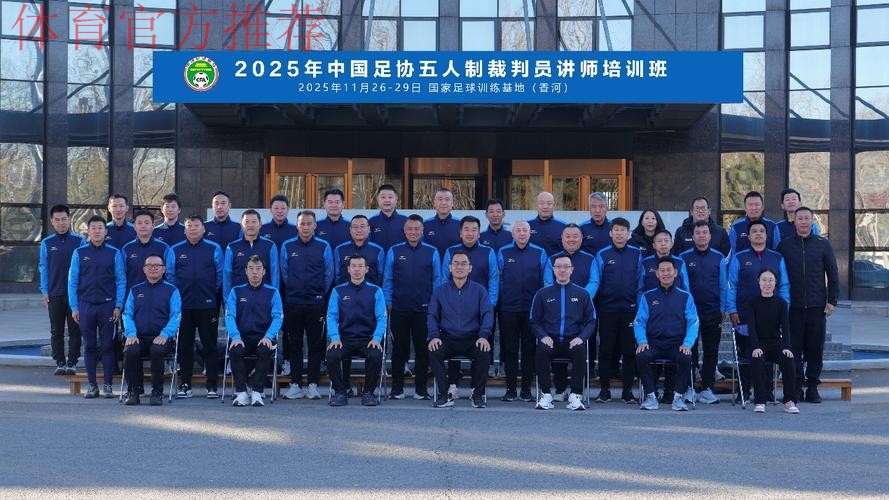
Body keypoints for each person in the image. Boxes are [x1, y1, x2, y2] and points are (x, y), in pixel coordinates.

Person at [777, 207, 839, 404]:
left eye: (807, 218)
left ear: (812, 221)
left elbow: (833, 273)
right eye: (800, 218)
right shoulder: (784, 246)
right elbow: (777, 275)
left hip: (816, 306)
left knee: (815, 349)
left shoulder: (822, 244)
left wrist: (832, 300)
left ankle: (812, 387)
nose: (803, 222)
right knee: (793, 349)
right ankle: (795, 387)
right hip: (792, 308)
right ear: (794, 221)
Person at [727, 220, 790, 403]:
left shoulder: (777, 258)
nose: (758, 234)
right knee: (747, 355)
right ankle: (744, 391)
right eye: (754, 231)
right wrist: (732, 309)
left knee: (768, 353)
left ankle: (767, 391)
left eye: (761, 231)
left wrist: (784, 308)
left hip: (772, 316)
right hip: (744, 315)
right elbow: (732, 285)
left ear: (767, 235)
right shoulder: (739, 257)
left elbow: (784, 285)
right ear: (748, 236)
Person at [383, 214, 441, 400]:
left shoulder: (432, 251)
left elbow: (437, 281)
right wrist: (388, 302)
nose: (413, 232)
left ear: (422, 231)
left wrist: (435, 306)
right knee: (399, 349)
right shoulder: (394, 250)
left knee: (423, 350)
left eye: (417, 229)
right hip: (399, 308)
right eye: (410, 229)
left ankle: (421, 390)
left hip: (424, 310)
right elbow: (388, 279)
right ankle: (397, 389)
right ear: (404, 230)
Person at [68, 216, 126, 399]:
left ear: (105, 231)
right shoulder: (79, 253)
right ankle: (92, 385)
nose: (97, 231)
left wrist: (118, 305)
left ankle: (108, 385)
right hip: (85, 305)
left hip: (108, 306)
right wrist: (74, 307)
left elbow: (121, 280)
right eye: (93, 228)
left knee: (108, 346)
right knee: (90, 346)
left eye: (100, 228)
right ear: (88, 231)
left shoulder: (114, 253)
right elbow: (72, 281)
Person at [428, 250, 494, 409]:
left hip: (472, 338)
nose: (459, 267)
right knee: (434, 350)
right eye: (456, 263)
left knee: (484, 351)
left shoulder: (479, 290)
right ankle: (444, 394)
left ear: (470, 268)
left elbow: (487, 313)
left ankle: (477, 394)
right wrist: (434, 336)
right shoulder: (440, 291)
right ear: (450, 267)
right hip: (447, 338)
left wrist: (484, 335)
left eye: (464, 264)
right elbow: (431, 315)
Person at [441, 216, 498, 398]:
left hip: (481, 309)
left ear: (479, 233)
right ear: (460, 232)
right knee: (453, 340)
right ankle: (453, 385)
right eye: (466, 229)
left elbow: (494, 279)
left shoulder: (488, 252)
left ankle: (476, 387)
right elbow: (444, 279)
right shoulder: (451, 251)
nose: (470, 233)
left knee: (480, 346)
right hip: (454, 308)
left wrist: (490, 304)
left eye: (474, 230)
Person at [633, 257, 700, 411]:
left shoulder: (685, 296)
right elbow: (639, 322)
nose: (666, 273)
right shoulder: (647, 296)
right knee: (641, 355)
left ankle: (678, 397)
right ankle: (651, 396)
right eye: (662, 271)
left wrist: (687, 343)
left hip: (677, 344)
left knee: (686, 357)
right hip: (654, 343)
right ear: (657, 274)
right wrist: (642, 341)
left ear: (675, 272)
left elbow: (693, 322)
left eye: (669, 270)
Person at [531, 255, 597, 411]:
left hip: (573, 340)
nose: (562, 270)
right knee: (541, 350)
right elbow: (534, 321)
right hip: (551, 340)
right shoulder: (542, 294)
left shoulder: (582, 294)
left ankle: (575, 395)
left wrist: (581, 337)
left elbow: (591, 321)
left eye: (566, 267)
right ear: (553, 269)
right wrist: (543, 336)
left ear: (572, 270)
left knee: (580, 349)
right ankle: (546, 395)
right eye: (558, 267)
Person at [280, 210, 334, 401]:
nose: (305, 227)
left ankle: (312, 384)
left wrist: (318, 292)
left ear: (315, 226)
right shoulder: (287, 246)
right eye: (302, 224)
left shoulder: (323, 246)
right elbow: (285, 273)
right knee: (294, 344)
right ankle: (295, 384)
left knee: (315, 345)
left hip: (316, 303)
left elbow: (328, 274)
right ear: (297, 225)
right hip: (293, 302)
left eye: (309, 224)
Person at [590, 217, 643, 404]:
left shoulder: (636, 254)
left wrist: (638, 308)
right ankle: (604, 390)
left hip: (630, 310)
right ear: (610, 233)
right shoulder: (602, 254)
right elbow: (596, 281)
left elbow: (640, 282)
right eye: (616, 230)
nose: (619, 233)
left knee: (629, 351)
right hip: (607, 310)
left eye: (623, 230)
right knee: (606, 350)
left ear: (629, 234)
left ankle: (627, 392)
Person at [170, 215, 224, 399]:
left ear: (203, 229)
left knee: (210, 346)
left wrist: (210, 293)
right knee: (184, 347)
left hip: (207, 305)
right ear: (184, 230)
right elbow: (171, 276)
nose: (192, 228)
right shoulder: (175, 250)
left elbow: (219, 276)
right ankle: (185, 385)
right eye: (189, 225)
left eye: (196, 225)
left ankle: (212, 386)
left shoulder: (214, 248)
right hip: (184, 306)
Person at [325, 254, 387, 407]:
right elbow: (331, 316)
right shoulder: (338, 291)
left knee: (375, 354)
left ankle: (368, 393)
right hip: (344, 339)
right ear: (348, 269)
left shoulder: (376, 291)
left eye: (360, 266)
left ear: (366, 269)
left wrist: (377, 338)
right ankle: (340, 393)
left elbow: (382, 318)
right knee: (332, 355)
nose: (357, 269)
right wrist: (335, 337)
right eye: (353, 266)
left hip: (368, 339)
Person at [497, 220, 547, 402]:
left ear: (530, 233)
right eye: (518, 230)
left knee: (529, 351)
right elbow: (498, 279)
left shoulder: (540, 253)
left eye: (524, 230)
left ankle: (526, 390)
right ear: (513, 234)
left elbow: (544, 281)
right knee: (510, 350)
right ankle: (510, 390)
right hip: (509, 309)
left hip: (531, 310)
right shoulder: (503, 252)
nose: (521, 233)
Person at [678, 220, 727, 404]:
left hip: (713, 311)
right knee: (689, 350)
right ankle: (689, 387)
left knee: (711, 351)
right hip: (690, 313)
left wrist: (723, 308)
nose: (701, 236)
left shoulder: (719, 257)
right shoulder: (683, 257)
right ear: (693, 236)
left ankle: (707, 388)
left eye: (704, 232)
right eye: (698, 233)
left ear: (709, 235)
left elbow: (723, 285)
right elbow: (682, 286)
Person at [122, 254, 181, 406]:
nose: (153, 268)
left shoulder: (171, 290)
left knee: (157, 350)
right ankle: (133, 391)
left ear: (164, 269)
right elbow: (127, 314)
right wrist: (131, 334)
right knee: (130, 350)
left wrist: (165, 334)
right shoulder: (135, 290)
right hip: (138, 336)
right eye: (149, 265)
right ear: (144, 269)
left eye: (157, 266)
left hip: (162, 337)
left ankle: (157, 392)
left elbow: (176, 316)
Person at [225, 256, 283, 407]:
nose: (254, 272)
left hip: (263, 336)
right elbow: (229, 316)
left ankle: (257, 391)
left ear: (264, 272)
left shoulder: (273, 292)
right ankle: (242, 392)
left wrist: (268, 336)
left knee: (265, 349)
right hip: (241, 336)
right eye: (251, 269)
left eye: (258, 269)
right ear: (246, 271)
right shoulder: (236, 291)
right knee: (235, 349)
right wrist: (235, 336)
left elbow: (278, 317)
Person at [743, 268, 800, 414]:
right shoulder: (752, 302)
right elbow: (751, 328)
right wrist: (756, 346)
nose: (767, 283)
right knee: (757, 359)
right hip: (757, 344)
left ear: (775, 283)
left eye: (770, 280)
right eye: (764, 280)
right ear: (758, 282)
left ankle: (789, 401)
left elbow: (785, 327)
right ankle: (760, 401)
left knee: (789, 360)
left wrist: (786, 347)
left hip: (775, 343)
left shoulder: (781, 303)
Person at [39, 204, 84, 376]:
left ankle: (72, 362)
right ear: (52, 221)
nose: (61, 223)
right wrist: (44, 290)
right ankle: (59, 361)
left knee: (75, 329)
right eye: (57, 220)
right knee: (56, 330)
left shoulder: (79, 241)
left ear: (69, 219)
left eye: (64, 219)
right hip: (54, 293)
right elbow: (43, 267)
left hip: (75, 294)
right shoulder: (47, 242)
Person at [222, 209, 279, 300]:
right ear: (241, 225)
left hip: (264, 299)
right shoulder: (232, 247)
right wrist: (227, 300)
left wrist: (274, 298)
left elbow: (275, 274)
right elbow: (227, 276)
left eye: (254, 222)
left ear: (260, 224)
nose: (250, 225)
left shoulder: (270, 246)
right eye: (247, 222)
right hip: (239, 299)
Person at [121, 211, 175, 295]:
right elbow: (122, 277)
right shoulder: (127, 249)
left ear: (153, 226)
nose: (143, 226)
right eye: (139, 223)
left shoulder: (163, 247)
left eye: (147, 223)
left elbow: (170, 275)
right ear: (134, 227)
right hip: (134, 296)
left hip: (159, 295)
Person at [333, 214, 385, 286]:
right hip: (345, 292)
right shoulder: (339, 250)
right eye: (355, 227)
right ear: (350, 230)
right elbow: (337, 275)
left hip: (370, 292)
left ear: (369, 229)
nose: (359, 230)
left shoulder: (378, 250)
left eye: (362, 226)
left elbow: (380, 275)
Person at [423, 187, 462, 259]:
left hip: (454, 265)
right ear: (434, 203)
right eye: (440, 199)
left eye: (447, 199)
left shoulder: (461, 224)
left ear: (452, 203)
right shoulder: (425, 225)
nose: (443, 203)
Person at [369, 184, 407, 253]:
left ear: (396, 199)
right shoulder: (371, 222)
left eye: (390, 197)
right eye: (383, 197)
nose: (387, 200)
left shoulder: (405, 221)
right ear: (378, 199)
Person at [528, 191, 567, 256]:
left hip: (555, 262)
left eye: (549, 203)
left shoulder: (564, 227)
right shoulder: (527, 226)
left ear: (554, 206)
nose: (545, 206)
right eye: (541, 203)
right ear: (536, 205)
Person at [579, 192, 612, 256]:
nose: (597, 210)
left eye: (601, 206)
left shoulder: (614, 227)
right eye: (593, 206)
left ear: (607, 209)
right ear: (589, 209)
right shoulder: (581, 228)